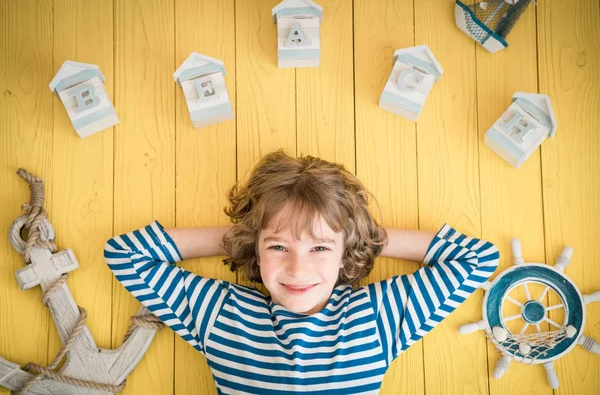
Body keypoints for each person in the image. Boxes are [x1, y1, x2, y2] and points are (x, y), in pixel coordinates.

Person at [104, 149, 499, 394]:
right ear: (256, 249)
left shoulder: (377, 316)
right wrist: (249, 231)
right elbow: (125, 254)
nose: (298, 268)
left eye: (320, 247)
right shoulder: (222, 315)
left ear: (344, 250)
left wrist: (356, 233)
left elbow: (478, 259)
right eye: (278, 247)